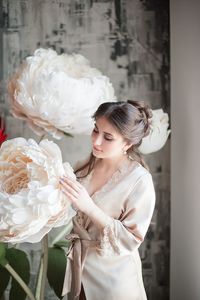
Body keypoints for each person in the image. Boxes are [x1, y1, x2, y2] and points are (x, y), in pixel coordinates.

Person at [60, 100, 156, 300]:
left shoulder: (140, 181)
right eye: (96, 130)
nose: (96, 141)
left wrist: (90, 208)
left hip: (114, 281)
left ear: (128, 143)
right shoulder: (86, 165)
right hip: (80, 271)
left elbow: (131, 239)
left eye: (108, 137)